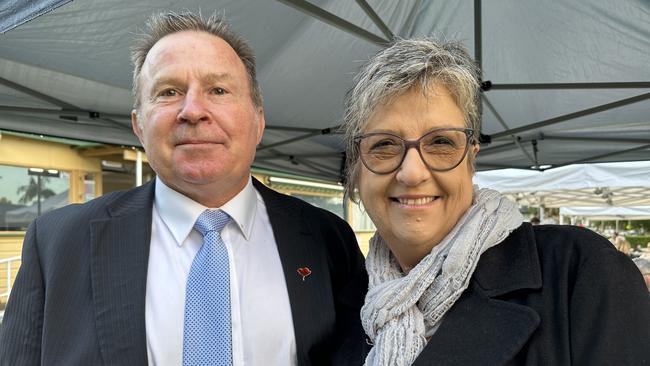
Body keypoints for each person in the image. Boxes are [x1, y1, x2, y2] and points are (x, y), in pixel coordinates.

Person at [0, 11, 367, 366]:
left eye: (218, 89)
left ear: (258, 122)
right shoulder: (57, 243)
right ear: (139, 125)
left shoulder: (327, 239)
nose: (193, 110)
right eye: (168, 91)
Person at [342, 38, 650, 365]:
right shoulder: (343, 306)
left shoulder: (580, 273)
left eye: (441, 142)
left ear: (471, 160)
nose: (413, 172)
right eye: (384, 145)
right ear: (356, 170)